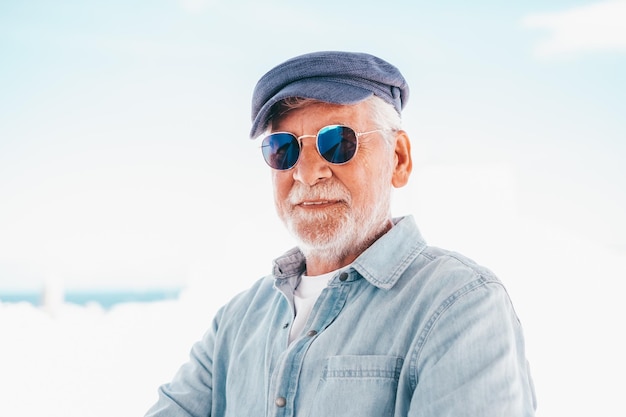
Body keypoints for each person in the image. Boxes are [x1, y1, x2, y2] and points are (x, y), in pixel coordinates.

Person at [145, 51, 537, 417]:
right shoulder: (236, 320)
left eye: (338, 142)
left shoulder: (460, 304)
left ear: (398, 159)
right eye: (284, 149)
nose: (306, 172)